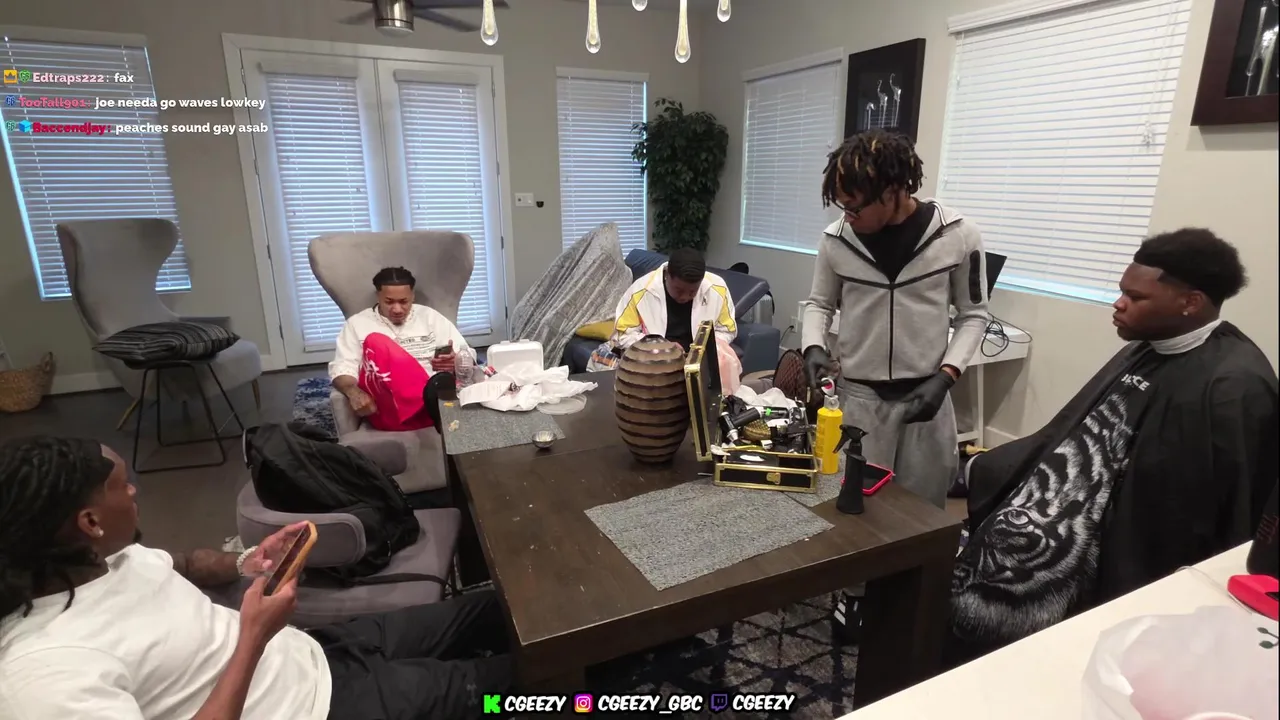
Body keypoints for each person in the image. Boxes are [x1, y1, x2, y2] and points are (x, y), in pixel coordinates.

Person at [0, 436, 513, 719]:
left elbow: (182, 564)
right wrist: (252, 637)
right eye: (122, 487)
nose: (135, 492)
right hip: (319, 707)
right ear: (90, 522)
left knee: (499, 608)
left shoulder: (103, 558)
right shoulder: (48, 674)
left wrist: (250, 561)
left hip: (317, 652)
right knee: (504, 687)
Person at [950, 229, 1279, 661]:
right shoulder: (1151, 347)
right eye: (1122, 291)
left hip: (1128, 540)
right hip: (1069, 506)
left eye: (1135, 297)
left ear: (1191, 302)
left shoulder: (1237, 387)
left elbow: (1220, 513)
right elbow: (1072, 431)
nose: (1118, 304)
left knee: (1006, 596)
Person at [802, 130, 990, 509]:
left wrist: (946, 377)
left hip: (926, 399)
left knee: (922, 513)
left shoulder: (957, 235)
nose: (847, 216)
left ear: (891, 192)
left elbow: (974, 315)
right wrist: (812, 347)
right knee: (853, 511)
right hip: (859, 403)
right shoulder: (836, 240)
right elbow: (819, 304)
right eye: (842, 207)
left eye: (854, 207)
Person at [329, 267, 476, 432]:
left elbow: (467, 353)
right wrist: (354, 393)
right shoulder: (357, 324)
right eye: (389, 302)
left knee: (446, 379)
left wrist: (455, 360)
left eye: (404, 301)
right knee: (375, 341)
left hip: (433, 395)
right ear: (378, 296)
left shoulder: (430, 317)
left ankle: (435, 408)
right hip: (389, 408)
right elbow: (342, 368)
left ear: (412, 296)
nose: (397, 309)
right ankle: (435, 410)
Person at [608, 247, 737, 352]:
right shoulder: (641, 290)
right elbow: (621, 335)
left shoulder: (717, 288)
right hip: (654, 359)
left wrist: (703, 348)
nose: (685, 297)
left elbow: (727, 331)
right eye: (679, 290)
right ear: (667, 275)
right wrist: (658, 346)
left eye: (693, 292)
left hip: (699, 360)